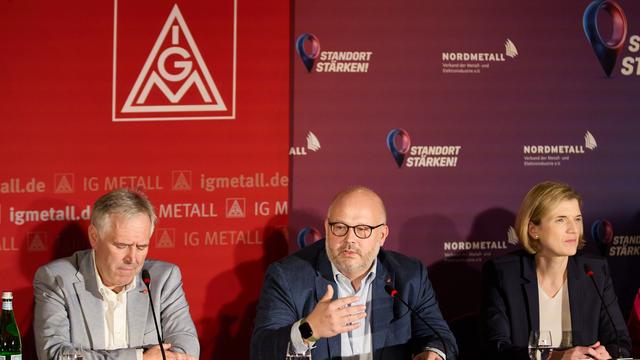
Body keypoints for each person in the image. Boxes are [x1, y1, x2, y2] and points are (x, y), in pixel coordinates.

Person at [251, 186, 458, 360]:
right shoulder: (288, 277)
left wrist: (433, 353)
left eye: (363, 229)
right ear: (326, 227)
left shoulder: (409, 276)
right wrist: (309, 329)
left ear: (382, 235)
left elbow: (440, 337)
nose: (350, 239)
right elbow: (261, 351)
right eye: (340, 227)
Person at [33, 189, 199, 360]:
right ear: (94, 237)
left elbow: (186, 346)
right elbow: (54, 355)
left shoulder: (163, 279)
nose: (132, 258)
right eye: (121, 245)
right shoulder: (57, 279)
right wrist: (139, 358)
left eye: (141, 247)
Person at [481, 181, 631, 359]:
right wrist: (555, 357)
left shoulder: (594, 271)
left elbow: (621, 342)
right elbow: (496, 349)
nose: (573, 229)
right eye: (561, 220)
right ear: (533, 229)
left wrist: (605, 354)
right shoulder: (504, 274)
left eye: (577, 219)